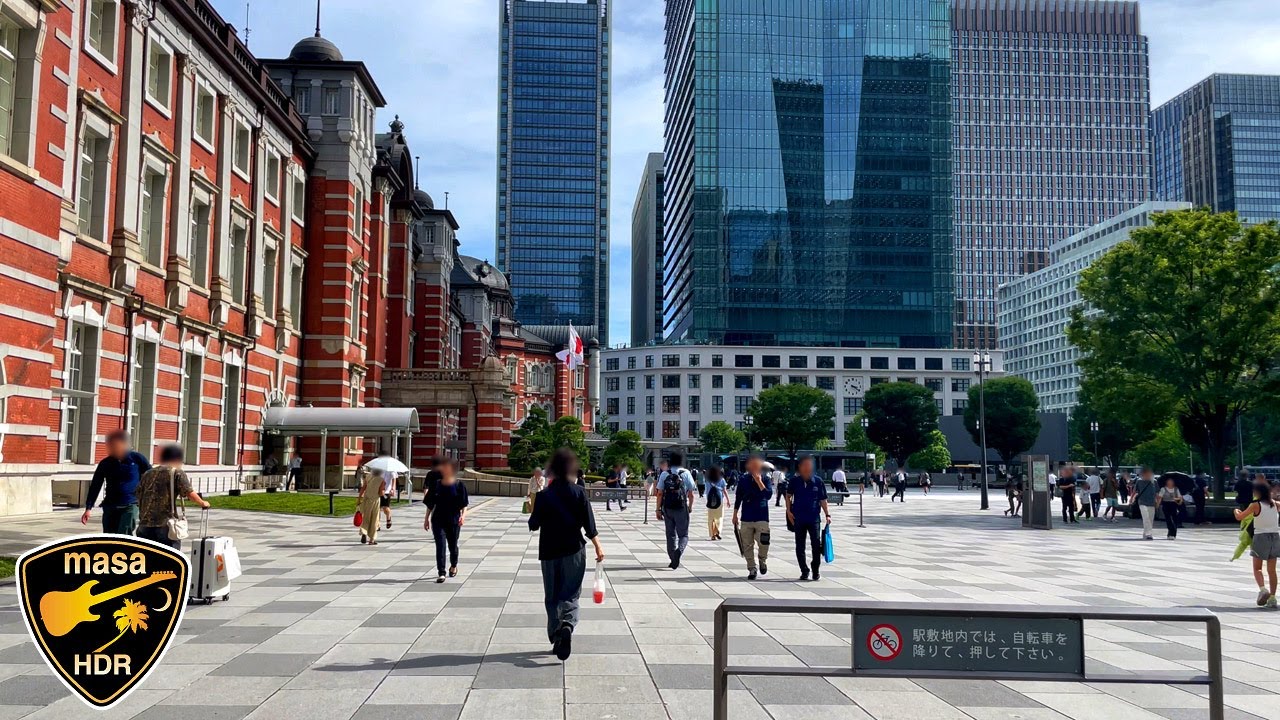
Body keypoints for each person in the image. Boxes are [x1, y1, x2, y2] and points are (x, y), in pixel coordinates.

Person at [529, 448, 604, 661]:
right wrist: (598, 546)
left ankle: (555, 634)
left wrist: (536, 504)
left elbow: (533, 525)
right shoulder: (579, 492)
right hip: (574, 551)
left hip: (549, 551)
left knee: (552, 596)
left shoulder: (544, 496)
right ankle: (568, 627)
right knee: (570, 593)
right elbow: (590, 526)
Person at [135, 444, 209, 550]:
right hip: (166, 525)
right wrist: (202, 503)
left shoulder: (148, 473)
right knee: (170, 559)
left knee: (148, 559)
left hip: (145, 525)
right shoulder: (176, 472)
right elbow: (189, 492)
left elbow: (138, 493)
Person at [81, 430, 152, 534]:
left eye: (115, 445)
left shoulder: (137, 459)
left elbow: (151, 477)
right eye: (110, 445)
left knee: (124, 533)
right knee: (109, 536)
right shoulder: (105, 463)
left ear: (124, 444)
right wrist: (88, 508)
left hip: (130, 504)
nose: (112, 448)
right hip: (110, 505)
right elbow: (96, 485)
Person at [785, 456, 831, 581]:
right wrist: (788, 511)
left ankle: (815, 570)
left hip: (814, 518)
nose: (807, 468)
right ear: (800, 467)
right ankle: (804, 570)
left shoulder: (818, 481)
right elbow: (788, 496)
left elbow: (823, 500)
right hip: (798, 518)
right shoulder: (794, 481)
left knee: (816, 546)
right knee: (800, 546)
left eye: (809, 465)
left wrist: (827, 514)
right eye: (804, 465)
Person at [1235, 481, 1279, 608]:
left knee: (1257, 568)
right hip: (1275, 537)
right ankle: (1272, 598)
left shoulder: (1255, 505)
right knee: (1272, 570)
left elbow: (1240, 517)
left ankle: (1263, 589)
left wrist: (1236, 511)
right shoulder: (1275, 504)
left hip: (1260, 537)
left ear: (1257, 492)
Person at [424, 459, 468, 583]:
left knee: (453, 546)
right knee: (440, 545)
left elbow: (464, 504)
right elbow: (430, 504)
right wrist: (426, 519)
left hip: (454, 519)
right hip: (438, 519)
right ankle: (441, 572)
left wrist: (463, 516)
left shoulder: (459, 485)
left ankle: (453, 565)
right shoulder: (436, 485)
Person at [732, 454, 773, 580]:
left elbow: (768, 495)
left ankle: (762, 560)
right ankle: (752, 568)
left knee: (764, 542)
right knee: (747, 544)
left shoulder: (766, 478)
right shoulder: (743, 479)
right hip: (747, 517)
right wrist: (735, 514)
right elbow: (738, 497)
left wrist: (759, 481)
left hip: (762, 516)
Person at [657, 451, 697, 569]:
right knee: (683, 535)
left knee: (670, 534)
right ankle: (679, 551)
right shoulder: (686, 473)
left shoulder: (665, 474)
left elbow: (659, 493)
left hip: (668, 508)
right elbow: (691, 493)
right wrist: (689, 507)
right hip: (681, 507)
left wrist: (658, 510)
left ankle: (672, 557)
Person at [357, 468, 386, 545]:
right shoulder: (381, 479)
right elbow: (381, 493)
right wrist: (384, 489)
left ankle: (364, 532)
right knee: (374, 519)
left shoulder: (368, 476)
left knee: (366, 518)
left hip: (366, 500)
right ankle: (371, 539)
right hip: (375, 501)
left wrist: (359, 498)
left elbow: (363, 488)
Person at [1132, 467, 1158, 540]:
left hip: (1152, 502)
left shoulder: (1154, 481)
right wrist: (1131, 499)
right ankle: (1148, 534)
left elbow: (1157, 493)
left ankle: (1146, 532)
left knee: (1150, 518)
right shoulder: (1139, 481)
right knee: (1145, 517)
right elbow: (1135, 491)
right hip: (1142, 502)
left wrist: (1158, 502)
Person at [704, 467, 727, 540]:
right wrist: (728, 500)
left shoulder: (708, 480)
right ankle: (717, 531)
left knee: (711, 518)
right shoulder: (722, 479)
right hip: (719, 500)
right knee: (719, 517)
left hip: (710, 501)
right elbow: (724, 490)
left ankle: (712, 535)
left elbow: (707, 491)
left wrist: (707, 499)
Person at [380, 466, 398, 530]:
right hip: (378, 491)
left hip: (387, 491)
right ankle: (377, 524)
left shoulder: (391, 468)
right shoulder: (379, 468)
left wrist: (393, 489)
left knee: (385, 507)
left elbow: (394, 479)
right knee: (377, 508)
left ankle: (388, 518)